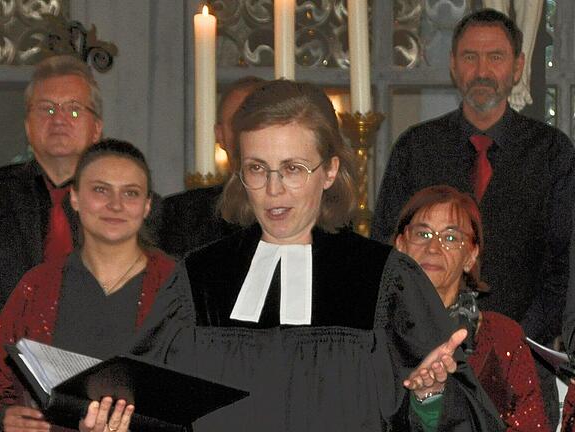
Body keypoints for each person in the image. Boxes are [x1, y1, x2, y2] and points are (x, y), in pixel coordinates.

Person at [132, 80, 503, 431]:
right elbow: (149, 407)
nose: (273, 189)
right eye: (257, 169)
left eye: (293, 169)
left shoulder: (382, 279)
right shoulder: (199, 281)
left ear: (329, 171)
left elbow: (459, 417)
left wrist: (429, 396)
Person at [371, 9, 575, 423]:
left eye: (496, 57)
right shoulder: (416, 147)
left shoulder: (553, 152)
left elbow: (563, 265)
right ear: (452, 64)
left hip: (523, 362)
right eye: (469, 57)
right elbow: (384, 255)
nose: (482, 70)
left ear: (518, 66)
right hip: (418, 357)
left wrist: (510, 340)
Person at [0, 139, 177, 432]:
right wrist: (5, 417)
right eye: (100, 190)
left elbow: (197, 396)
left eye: (130, 193)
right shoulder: (38, 286)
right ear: (75, 198)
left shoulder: (177, 287)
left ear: (147, 206)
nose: (115, 205)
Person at [0, 55, 103, 429]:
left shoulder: (120, 201)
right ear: (28, 126)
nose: (59, 118)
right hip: (1, 384)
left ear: (97, 128)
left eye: (74, 110)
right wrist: (28, 350)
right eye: (45, 108)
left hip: (95, 388)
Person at [394, 185, 549, 431]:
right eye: (423, 234)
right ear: (400, 244)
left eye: (451, 238)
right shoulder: (372, 332)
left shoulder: (503, 337)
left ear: (471, 255)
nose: (433, 248)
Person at [158, 76, 264, 257]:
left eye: (256, 122)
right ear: (220, 135)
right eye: (237, 123)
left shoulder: (311, 211)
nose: (245, 135)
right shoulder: (179, 216)